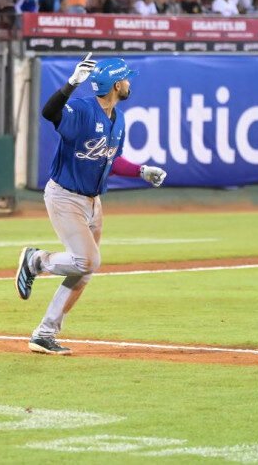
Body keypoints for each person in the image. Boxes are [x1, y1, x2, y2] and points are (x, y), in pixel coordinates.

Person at [14, 53, 167, 355]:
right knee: (88, 261)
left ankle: (44, 334)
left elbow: (109, 159)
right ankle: (36, 261)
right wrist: (70, 84)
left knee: (83, 272)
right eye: (125, 78)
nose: (128, 82)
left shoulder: (118, 118)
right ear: (115, 84)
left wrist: (140, 170)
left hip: (93, 202)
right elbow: (49, 113)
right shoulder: (84, 110)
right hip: (65, 197)